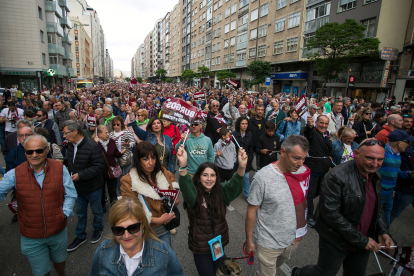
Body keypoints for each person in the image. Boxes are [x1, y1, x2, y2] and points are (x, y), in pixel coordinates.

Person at [292, 138, 394, 276]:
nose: (375, 164)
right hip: (336, 240)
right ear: (356, 153)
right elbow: (330, 213)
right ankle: (299, 273)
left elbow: (377, 207)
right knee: (324, 273)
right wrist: (362, 239)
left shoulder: (375, 175)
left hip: (363, 242)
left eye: (380, 159)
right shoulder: (336, 176)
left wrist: (383, 231)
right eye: (370, 158)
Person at [0, 134, 77, 276]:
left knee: (60, 262)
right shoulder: (16, 173)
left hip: (57, 230)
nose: (34, 155)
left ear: (47, 150)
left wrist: (64, 213)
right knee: (41, 271)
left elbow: (71, 194)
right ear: (25, 153)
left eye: (39, 151)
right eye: (30, 152)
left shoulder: (59, 168)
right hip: (31, 235)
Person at [176, 143, 248, 276]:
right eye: (205, 175)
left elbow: (234, 185)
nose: (209, 179)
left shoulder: (221, 191)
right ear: (198, 177)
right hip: (201, 247)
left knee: (215, 271)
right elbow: (186, 187)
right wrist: (183, 166)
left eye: (213, 175)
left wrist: (242, 167)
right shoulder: (194, 195)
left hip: (218, 244)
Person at [245, 135, 310, 276]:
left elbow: (302, 204)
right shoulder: (263, 177)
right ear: (283, 152)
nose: (301, 163)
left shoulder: (303, 172)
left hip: (292, 242)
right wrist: (249, 240)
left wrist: (300, 231)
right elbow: (251, 210)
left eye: (304, 158)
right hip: (268, 243)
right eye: (296, 158)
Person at [91, 196, 184, 276]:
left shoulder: (164, 254)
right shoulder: (102, 251)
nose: (126, 236)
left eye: (133, 228)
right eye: (119, 230)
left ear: (143, 224)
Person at [120, 141, 179, 246]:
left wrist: (175, 194)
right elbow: (131, 212)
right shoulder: (128, 181)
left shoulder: (161, 170)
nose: (151, 162)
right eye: (145, 159)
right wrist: (158, 220)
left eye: (153, 158)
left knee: (166, 256)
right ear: (138, 160)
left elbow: (171, 177)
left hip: (165, 226)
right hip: (146, 229)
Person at [63, 120, 106, 251]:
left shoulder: (92, 146)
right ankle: (80, 235)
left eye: (65, 133)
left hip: (92, 187)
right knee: (80, 213)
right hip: (77, 188)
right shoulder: (70, 145)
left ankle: (98, 229)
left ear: (75, 132)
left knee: (97, 210)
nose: (64, 136)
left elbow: (99, 166)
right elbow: (71, 161)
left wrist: (80, 175)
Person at [377, 130, 414, 227]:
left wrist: (410, 174)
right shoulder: (382, 152)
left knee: (386, 221)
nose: (408, 145)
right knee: (377, 220)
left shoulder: (397, 155)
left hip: (389, 193)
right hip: (380, 193)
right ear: (400, 143)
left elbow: (397, 173)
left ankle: (384, 238)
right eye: (407, 142)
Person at [303, 115, 333, 228]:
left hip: (324, 170)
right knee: (310, 193)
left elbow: (331, 150)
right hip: (313, 169)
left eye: (326, 124)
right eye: (321, 123)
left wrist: (331, 157)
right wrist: (309, 126)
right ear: (316, 123)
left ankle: (305, 203)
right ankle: (309, 216)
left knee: (320, 192)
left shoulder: (327, 135)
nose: (323, 126)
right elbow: (308, 132)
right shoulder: (313, 133)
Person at [127, 107, 175, 174]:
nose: (156, 125)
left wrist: (172, 172)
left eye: (158, 123)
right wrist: (130, 114)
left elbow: (171, 158)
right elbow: (136, 128)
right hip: (151, 172)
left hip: (166, 172)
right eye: (153, 123)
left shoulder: (167, 139)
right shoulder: (147, 136)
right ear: (151, 126)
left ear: (161, 125)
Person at [94, 125, 126, 212]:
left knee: (112, 190)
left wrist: (121, 153)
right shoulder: (95, 143)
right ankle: (102, 205)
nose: (108, 134)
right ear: (99, 134)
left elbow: (115, 153)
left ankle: (114, 206)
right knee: (101, 190)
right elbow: (93, 155)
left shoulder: (111, 141)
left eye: (108, 132)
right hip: (101, 171)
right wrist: (96, 143)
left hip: (111, 170)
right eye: (106, 133)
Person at [109, 116, 135, 193]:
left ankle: (129, 193)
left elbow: (133, 143)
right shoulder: (111, 134)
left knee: (128, 177)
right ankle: (121, 194)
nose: (116, 126)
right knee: (118, 178)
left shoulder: (127, 132)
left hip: (127, 157)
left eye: (118, 124)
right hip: (116, 159)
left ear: (121, 124)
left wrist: (128, 145)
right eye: (114, 125)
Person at [232, 117, 254, 198]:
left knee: (246, 178)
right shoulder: (234, 135)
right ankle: (233, 193)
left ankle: (248, 195)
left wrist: (250, 159)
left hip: (246, 159)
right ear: (239, 124)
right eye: (243, 124)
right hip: (236, 160)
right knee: (235, 177)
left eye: (246, 124)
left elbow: (251, 148)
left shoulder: (249, 134)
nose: (244, 125)